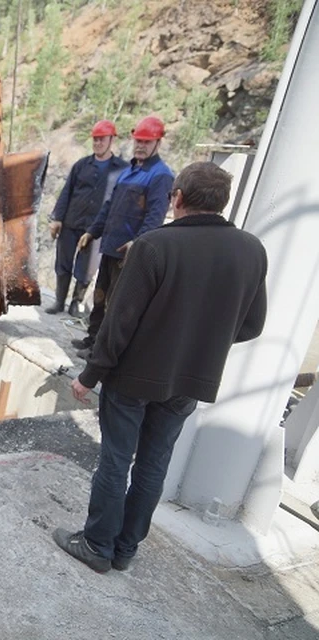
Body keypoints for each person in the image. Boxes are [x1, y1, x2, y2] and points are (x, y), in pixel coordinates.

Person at [54, 161, 268, 573]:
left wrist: (90, 375)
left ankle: (97, 545)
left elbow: (118, 324)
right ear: (222, 202)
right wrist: (200, 346)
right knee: (154, 464)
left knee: (117, 460)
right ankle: (125, 550)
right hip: (190, 381)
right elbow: (252, 324)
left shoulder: (154, 246)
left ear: (178, 198)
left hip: (134, 376)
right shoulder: (251, 250)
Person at [72, 115, 175, 357]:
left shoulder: (160, 176)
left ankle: (102, 351)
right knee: (100, 298)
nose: (140, 145)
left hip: (127, 252)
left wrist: (138, 243)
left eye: (146, 142)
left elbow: (155, 216)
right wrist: (91, 231)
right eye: (138, 140)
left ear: (158, 143)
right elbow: (109, 207)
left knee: (116, 304)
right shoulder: (130, 171)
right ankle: (92, 339)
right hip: (110, 246)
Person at [47, 120, 128, 317]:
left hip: (97, 227)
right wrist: (57, 217)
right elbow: (67, 191)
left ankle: (77, 302)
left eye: (102, 139)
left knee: (87, 268)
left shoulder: (121, 169)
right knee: (63, 261)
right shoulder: (82, 165)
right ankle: (59, 301)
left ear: (111, 140)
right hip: (72, 220)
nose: (98, 143)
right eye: (96, 139)